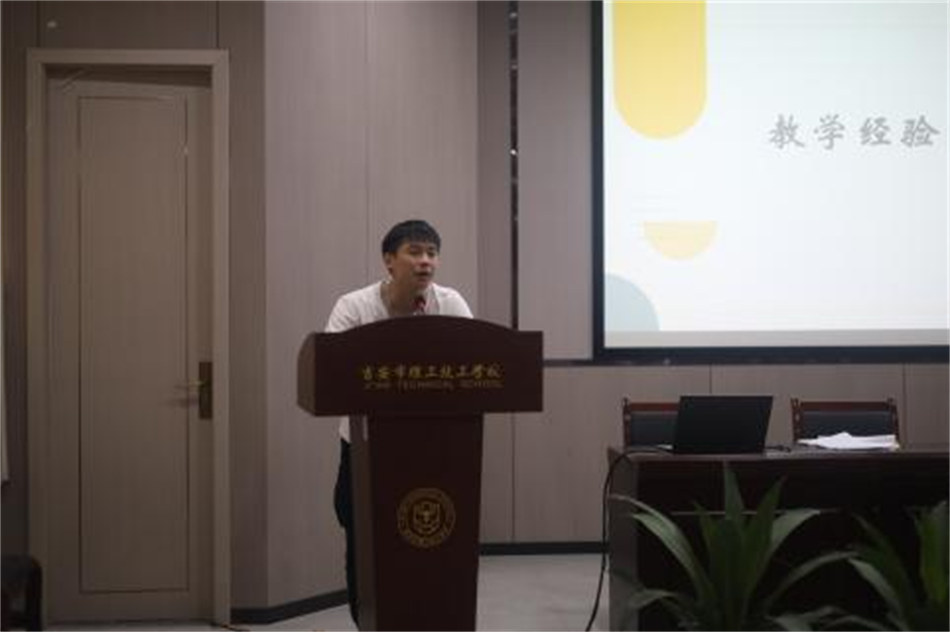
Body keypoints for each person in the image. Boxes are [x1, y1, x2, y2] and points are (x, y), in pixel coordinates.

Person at [325, 219, 473, 626]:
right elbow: (331, 370)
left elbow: (477, 364)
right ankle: (368, 622)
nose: (425, 261)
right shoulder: (354, 306)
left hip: (434, 448)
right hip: (366, 449)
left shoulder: (450, 303)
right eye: (415, 252)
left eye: (432, 253)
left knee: (432, 535)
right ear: (389, 261)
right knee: (364, 538)